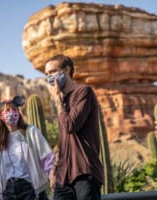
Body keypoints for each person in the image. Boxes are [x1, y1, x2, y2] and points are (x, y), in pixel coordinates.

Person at [45, 54, 104, 200]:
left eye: (52, 72)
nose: (49, 77)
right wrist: (54, 169)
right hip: (63, 176)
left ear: (66, 70)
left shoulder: (83, 92)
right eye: (46, 74)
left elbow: (71, 125)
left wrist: (58, 102)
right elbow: (65, 140)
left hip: (84, 172)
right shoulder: (62, 101)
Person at [0, 95, 55, 200]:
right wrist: (1, 192)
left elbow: (46, 157)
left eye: (14, 109)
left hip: (30, 189)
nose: (11, 112)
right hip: (9, 192)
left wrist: (52, 175)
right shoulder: (1, 140)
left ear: (18, 113)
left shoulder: (31, 131)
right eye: (7, 110)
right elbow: (3, 170)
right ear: (1, 116)